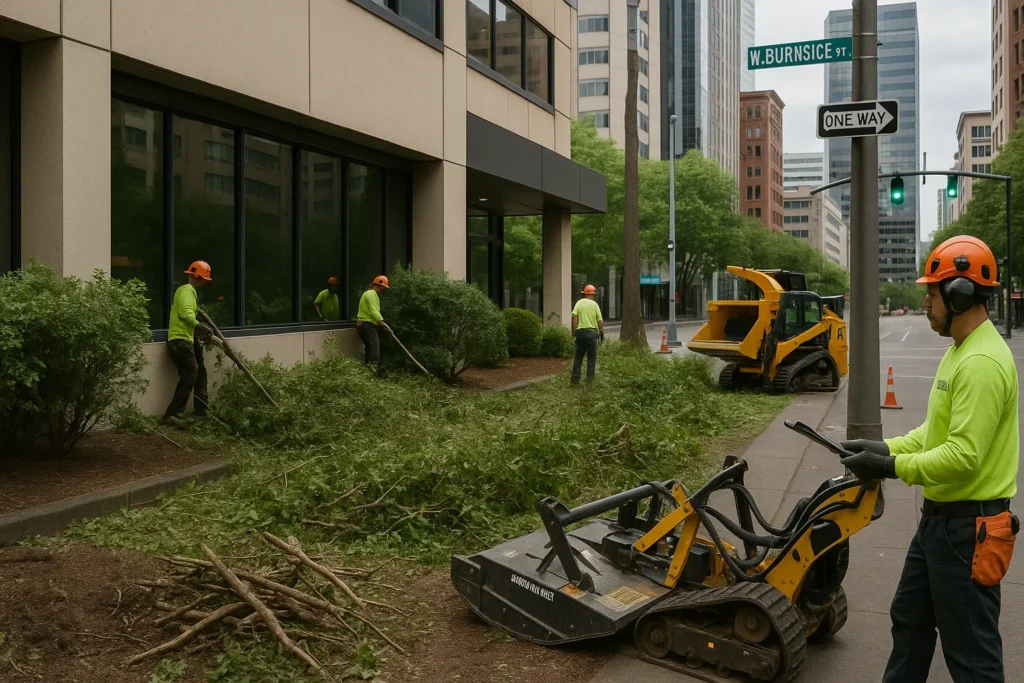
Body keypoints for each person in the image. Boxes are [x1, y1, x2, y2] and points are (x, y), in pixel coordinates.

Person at [839, 235, 1019, 683]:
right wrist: (886, 448)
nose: (926, 301)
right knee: (911, 621)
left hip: (967, 530)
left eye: (934, 293)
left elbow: (963, 458)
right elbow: (933, 434)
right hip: (941, 525)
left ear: (960, 295)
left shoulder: (981, 363)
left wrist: (890, 468)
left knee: (971, 655)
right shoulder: (959, 351)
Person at [164, 260, 213, 421]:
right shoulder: (186, 291)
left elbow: (192, 311)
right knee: (190, 374)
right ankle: (173, 413)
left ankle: (202, 411)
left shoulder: (190, 292)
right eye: (204, 279)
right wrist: (200, 326)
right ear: (199, 277)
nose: (205, 283)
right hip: (180, 340)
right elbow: (186, 314)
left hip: (187, 339)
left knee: (200, 372)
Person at [356, 275, 392, 374]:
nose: (384, 291)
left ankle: (367, 373)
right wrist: (382, 322)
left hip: (362, 326)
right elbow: (373, 311)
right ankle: (372, 373)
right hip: (368, 326)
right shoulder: (371, 294)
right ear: (379, 285)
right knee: (375, 350)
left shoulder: (369, 294)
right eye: (384, 288)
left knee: (369, 349)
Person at [571, 285, 604, 384]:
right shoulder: (595, 305)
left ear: (584, 293)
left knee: (578, 357)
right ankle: (590, 381)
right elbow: (600, 320)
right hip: (592, 334)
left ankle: (575, 380)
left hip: (581, 333)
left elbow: (575, 319)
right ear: (593, 294)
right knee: (591, 358)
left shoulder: (579, 303)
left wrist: (574, 333)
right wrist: (601, 332)